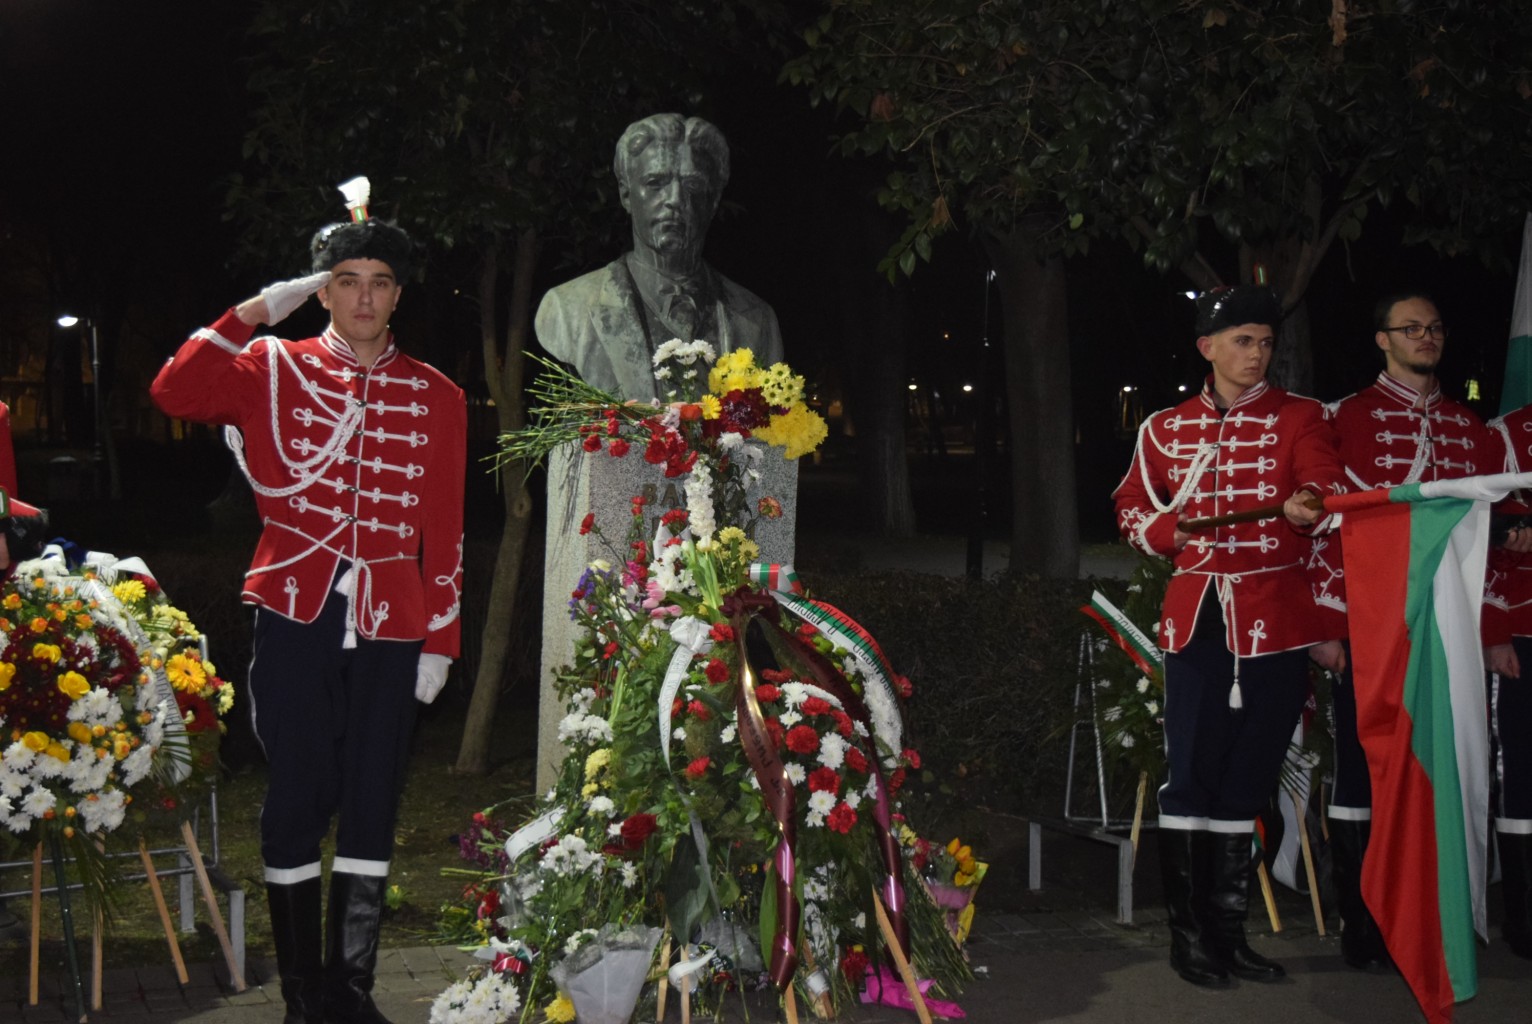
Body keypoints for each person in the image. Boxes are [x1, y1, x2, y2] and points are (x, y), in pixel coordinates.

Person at [150, 191, 465, 1024]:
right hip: (295, 608)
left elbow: (445, 527)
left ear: (399, 295)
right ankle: (301, 996)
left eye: (381, 281)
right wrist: (257, 310)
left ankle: (352, 994)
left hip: (396, 622)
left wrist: (441, 640)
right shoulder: (272, 366)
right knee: (296, 795)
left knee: (371, 797)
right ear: (321, 291)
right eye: (345, 280)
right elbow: (176, 391)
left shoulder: (439, 394)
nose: (364, 297)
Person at [1113, 286, 1348, 988]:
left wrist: (1312, 505)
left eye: (1265, 342)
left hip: (1275, 622)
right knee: (1192, 778)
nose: (1257, 354)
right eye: (1243, 340)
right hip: (1198, 622)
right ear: (1207, 348)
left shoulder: (1301, 415)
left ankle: (1229, 935)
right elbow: (1130, 502)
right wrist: (1164, 531)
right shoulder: (1164, 426)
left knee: (1246, 781)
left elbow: (1323, 482)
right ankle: (1190, 942)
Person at [1305, 290, 1500, 971]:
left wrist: (1490, 629)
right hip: (1370, 626)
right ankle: (1366, 925)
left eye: (1435, 328)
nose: (1427, 337)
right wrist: (1327, 627)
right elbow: (1324, 530)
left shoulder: (1470, 428)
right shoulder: (1343, 420)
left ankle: (1434, 916)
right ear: (1382, 340)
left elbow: (1489, 549)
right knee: (1365, 772)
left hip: (1447, 632)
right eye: (1411, 329)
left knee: (1440, 768)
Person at [535, 113, 783, 400]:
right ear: (626, 194)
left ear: (713, 201)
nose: (675, 199)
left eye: (693, 186)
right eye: (655, 182)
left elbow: (769, 441)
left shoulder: (757, 322)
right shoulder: (568, 310)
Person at [1482, 403, 1532, 960]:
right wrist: (1493, 632)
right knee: (1520, 767)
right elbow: (1486, 537)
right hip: (1522, 630)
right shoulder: (1506, 434)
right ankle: (1523, 916)